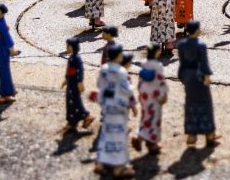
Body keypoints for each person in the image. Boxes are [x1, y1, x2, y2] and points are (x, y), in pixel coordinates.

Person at [92, 47, 137, 177]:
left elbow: (99, 84)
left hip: (106, 105)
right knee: (119, 135)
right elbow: (126, 89)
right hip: (118, 106)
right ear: (118, 56)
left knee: (106, 133)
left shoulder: (104, 69)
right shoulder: (121, 71)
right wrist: (133, 106)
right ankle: (118, 167)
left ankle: (101, 162)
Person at [177, 21, 219, 146]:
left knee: (190, 103)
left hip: (187, 75)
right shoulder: (201, 45)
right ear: (196, 30)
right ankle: (209, 134)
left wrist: (182, 76)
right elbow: (204, 63)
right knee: (205, 103)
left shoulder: (181, 45)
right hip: (199, 74)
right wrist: (207, 75)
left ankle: (191, 134)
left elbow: (182, 63)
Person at [134, 43, 168, 156]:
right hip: (154, 93)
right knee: (154, 117)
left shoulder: (144, 64)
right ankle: (152, 143)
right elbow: (161, 81)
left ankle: (140, 137)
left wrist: (140, 91)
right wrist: (164, 93)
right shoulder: (157, 65)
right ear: (156, 52)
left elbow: (141, 79)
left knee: (146, 115)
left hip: (144, 92)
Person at [63, 37, 93, 133]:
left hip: (75, 83)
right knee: (70, 100)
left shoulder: (77, 59)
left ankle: (85, 116)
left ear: (72, 47)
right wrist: (66, 79)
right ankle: (73, 121)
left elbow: (79, 71)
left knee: (75, 100)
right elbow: (69, 70)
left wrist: (80, 81)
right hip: (71, 82)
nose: (67, 48)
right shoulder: (72, 58)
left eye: (68, 46)